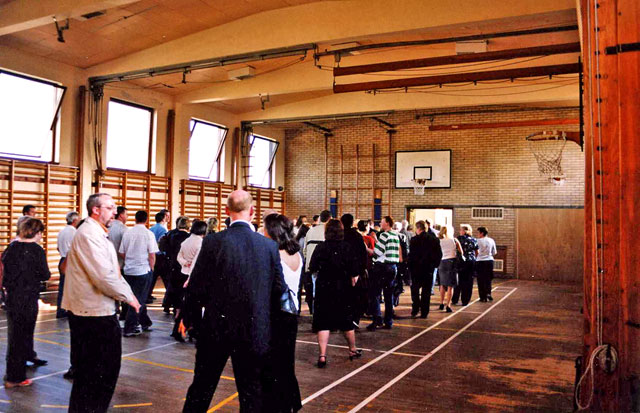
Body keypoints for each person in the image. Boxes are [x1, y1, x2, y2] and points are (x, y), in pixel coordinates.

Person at [181, 190, 286, 412]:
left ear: (226, 211)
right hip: (254, 329)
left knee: (201, 388)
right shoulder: (268, 246)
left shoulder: (212, 242)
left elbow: (196, 286)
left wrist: (189, 319)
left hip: (215, 328)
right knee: (251, 393)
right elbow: (279, 290)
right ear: (252, 211)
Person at [62, 193, 140, 413]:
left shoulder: (97, 233)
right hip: (93, 315)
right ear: (96, 210)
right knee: (99, 374)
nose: (115, 211)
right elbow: (104, 276)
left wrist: (126, 292)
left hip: (95, 311)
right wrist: (129, 297)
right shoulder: (89, 234)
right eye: (110, 207)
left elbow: (112, 272)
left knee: (95, 375)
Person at [2, 218, 51, 388]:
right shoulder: (36, 250)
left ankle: (12, 373)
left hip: (12, 298)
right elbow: (45, 274)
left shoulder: (11, 247)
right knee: (23, 337)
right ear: (37, 233)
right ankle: (15, 377)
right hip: (28, 297)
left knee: (15, 337)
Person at [263, 214, 302, 412]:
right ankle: (291, 401)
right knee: (286, 361)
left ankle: (277, 404)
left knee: (273, 362)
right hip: (291, 313)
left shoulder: (274, 255)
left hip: (276, 313)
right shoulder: (296, 253)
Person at [309, 219, 361, 367]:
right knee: (346, 322)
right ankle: (352, 349)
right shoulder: (347, 247)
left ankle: (322, 356)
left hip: (324, 288)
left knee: (323, 323)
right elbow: (355, 273)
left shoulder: (320, 247)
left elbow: (313, 267)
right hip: (343, 288)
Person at [119, 210, 158, 337]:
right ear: (146, 220)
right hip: (142, 270)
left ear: (135, 219)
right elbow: (152, 254)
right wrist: (152, 268)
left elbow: (121, 252)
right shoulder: (148, 234)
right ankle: (130, 327)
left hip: (129, 270)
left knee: (135, 296)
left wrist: (130, 260)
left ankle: (145, 321)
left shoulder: (127, 233)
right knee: (139, 299)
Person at [172, 219, 207, 342]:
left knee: (186, 304)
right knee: (193, 305)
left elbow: (179, 256)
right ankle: (192, 331)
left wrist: (184, 263)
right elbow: (196, 263)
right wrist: (191, 277)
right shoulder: (200, 242)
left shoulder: (186, 241)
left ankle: (185, 330)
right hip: (192, 277)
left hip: (182, 273)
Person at [367, 216, 401, 331]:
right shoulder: (395, 235)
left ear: (387, 223)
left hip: (381, 268)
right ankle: (389, 321)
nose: (380, 223)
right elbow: (386, 250)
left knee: (375, 294)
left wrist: (365, 248)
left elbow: (376, 253)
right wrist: (377, 241)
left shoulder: (384, 235)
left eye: (382, 221)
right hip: (392, 267)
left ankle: (377, 320)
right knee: (388, 295)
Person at [408, 220, 442, 318]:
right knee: (426, 291)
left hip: (416, 269)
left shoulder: (414, 240)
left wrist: (410, 266)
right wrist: (434, 265)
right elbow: (439, 254)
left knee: (415, 290)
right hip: (428, 269)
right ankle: (424, 312)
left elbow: (411, 255)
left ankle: (415, 309)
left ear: (418, 228)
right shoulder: (434, 239)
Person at [158, 216, 190, 314]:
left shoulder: (170, 234)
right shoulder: (189, 237)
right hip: (184, 265)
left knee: (171, 286)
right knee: (182, 288)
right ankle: (178, 307)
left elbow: (162, 247)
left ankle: (167, 305)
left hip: (171, 264)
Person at [340, 214, 367, 327]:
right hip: (355, 271)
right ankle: (354, 319)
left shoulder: (339, 235)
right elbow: (363, 254)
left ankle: (343, 319)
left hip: (342, 271)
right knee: (355, 296)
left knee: (342, 297)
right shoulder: (357, 236)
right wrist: (361, 270)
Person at [302, 210, 331, 313]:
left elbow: (304, 250)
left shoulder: (310, 231)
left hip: (310, 265)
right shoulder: (328, 230)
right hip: (324, 266)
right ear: (329, 219)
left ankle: (313, 312)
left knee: (312, 291)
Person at [56, 211, 80, 318]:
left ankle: (61, 310)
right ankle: (71, 310)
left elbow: (58, 247)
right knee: (73, 287)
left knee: (62, 287)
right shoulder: (74, 232)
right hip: (71, 261)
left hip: (62, 260)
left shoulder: (61, 231)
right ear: (75, 220)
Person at [437, 225, 464, 313]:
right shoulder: (454, 240)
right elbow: (461, 252)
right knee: (450, 286)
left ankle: (441, 303)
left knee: (442, 284)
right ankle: (448, 305)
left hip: (442, 262)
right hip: (451, 262)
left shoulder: (439, 240)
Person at [452, 224, 479, 306]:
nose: (459, 231)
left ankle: (455, 299)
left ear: (464, 231)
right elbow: (477, 252)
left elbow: (455, 250)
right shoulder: (474, 240)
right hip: (471, 262)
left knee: (458, 280)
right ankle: (465, 300)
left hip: (460, 262)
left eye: (461, 230)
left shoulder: (458, 239)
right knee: (468, 281)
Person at [148, 210, 169, 304]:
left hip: (153, 254)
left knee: (153, 277)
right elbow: (162, 242)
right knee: (165, 277)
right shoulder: (163, 229)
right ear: (163, 218)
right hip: (161, 255)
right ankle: (168, 297)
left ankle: (148, 294)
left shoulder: (151, 228)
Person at [476, 226, 497, 302]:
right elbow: (495, 252)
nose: (477, 234)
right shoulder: (491, 240)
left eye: (478, 233)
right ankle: (488, 293)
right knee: (488, 278)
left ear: (482, 233)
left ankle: (482, 296)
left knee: (480, 279)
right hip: (489, 260)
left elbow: (476, 252)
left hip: (480, 261)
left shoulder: (477, 241)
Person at [108, 206, 128, 270]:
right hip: (119, 264)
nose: (127, 217)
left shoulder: (107, 226)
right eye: (126, 214)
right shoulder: (123, 228)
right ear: (121, 215)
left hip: (107, 261)